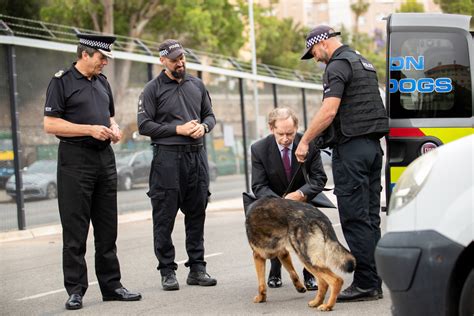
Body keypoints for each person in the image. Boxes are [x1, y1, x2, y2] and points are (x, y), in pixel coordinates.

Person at [43, 33, 142, 310]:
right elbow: (50, 125)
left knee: (107, 228)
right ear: (85, 55)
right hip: (75, 162)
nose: (105, 63)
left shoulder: (102, 82)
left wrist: (114, 128)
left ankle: (112, 286)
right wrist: (88, 129)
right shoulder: (61, 82)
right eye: (101, 58)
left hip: (104, 160)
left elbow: (109, 116)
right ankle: (75, 290)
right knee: (75, 231)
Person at [296, 25, 389, 302]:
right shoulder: (364, 63)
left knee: (355, 218)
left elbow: (329, 110)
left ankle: (365, 284)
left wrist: (306, 142)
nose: (315, 58)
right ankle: (373, 281)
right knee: (371, 219)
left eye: (313, 51)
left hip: (352, 151)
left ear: (322, 43)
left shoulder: (336, 66)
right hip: (373, 149)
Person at [137, 39, 217, 291]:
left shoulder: (197, 85)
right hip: (167, 159)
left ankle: (197, 269)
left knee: (197, 213)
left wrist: (203, 127)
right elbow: (144, 125)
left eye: (182, 58)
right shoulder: (152, 89)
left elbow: (210, 116)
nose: (180, 62)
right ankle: (167, 271)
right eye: (174, 59)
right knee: (164, 217)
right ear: (163, 61)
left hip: (197, 157)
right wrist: (177, 129)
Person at [250, 107, 328, 291]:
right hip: (273, 199)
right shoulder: (259, 149)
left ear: (296, 128)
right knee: (274, 231)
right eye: (281, 134)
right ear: (271, 128)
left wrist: (301, 194)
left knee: (307, 234)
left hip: (302, 199)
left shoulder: (309, 144)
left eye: (290, 134)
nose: (285, 139)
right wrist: (280, 203)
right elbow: (258, 186)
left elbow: (319, 179)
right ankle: (275, 271)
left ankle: (310, 274)